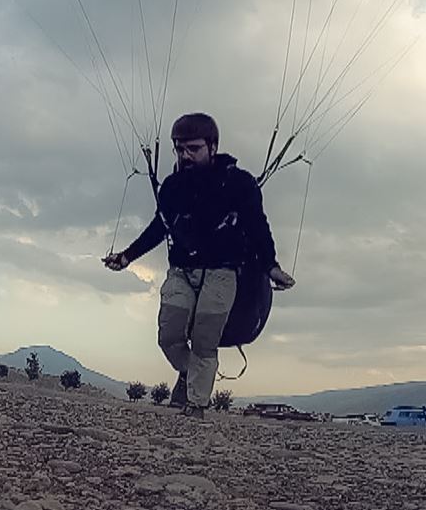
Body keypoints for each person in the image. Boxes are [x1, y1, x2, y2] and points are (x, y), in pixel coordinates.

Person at [103, 113, 295, 417]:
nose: (185, 156)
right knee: (168, 336)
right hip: (182, 271)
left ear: (213, 147)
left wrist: (271, 266)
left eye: (193, 149)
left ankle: (196, 405)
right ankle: (195, 375)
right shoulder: (172, 187)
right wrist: (127, 257)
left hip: (223, 271)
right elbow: (160, 227)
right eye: (180, 150)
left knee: (206, 339)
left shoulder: (239, 184)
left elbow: (258, 226)